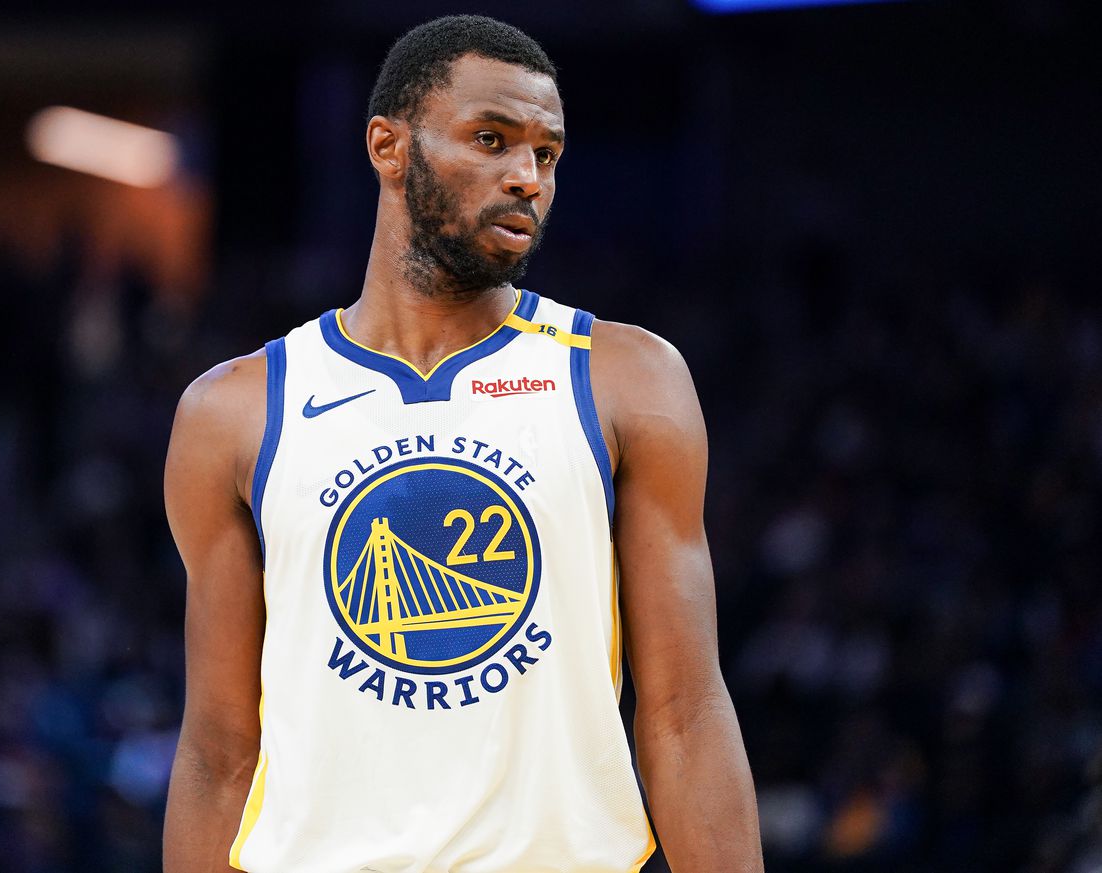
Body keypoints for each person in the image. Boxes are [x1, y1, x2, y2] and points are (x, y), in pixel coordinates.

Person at [162, 14, 763, 873]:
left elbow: (685, 716)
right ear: (388, 147)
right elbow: (218, 752)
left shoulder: (625, 378)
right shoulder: (237, 409)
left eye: (546, 155)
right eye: (492, 139)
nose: (526, 177)